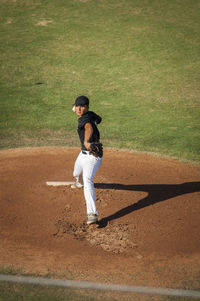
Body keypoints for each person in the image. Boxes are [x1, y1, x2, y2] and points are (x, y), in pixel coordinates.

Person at [71, 95, 103, 225]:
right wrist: (79, 110)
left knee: (88, 180)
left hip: (92, 157)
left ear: (87, 107)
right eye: (77, 106)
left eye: (82, 106)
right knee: (76, 172)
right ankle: (77, 182)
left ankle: (92, 214)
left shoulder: (84, 120)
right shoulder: (91, 114)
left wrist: (86, 141)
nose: (79, 109)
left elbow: (88, 127)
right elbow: (98, 119)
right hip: (83, 155)